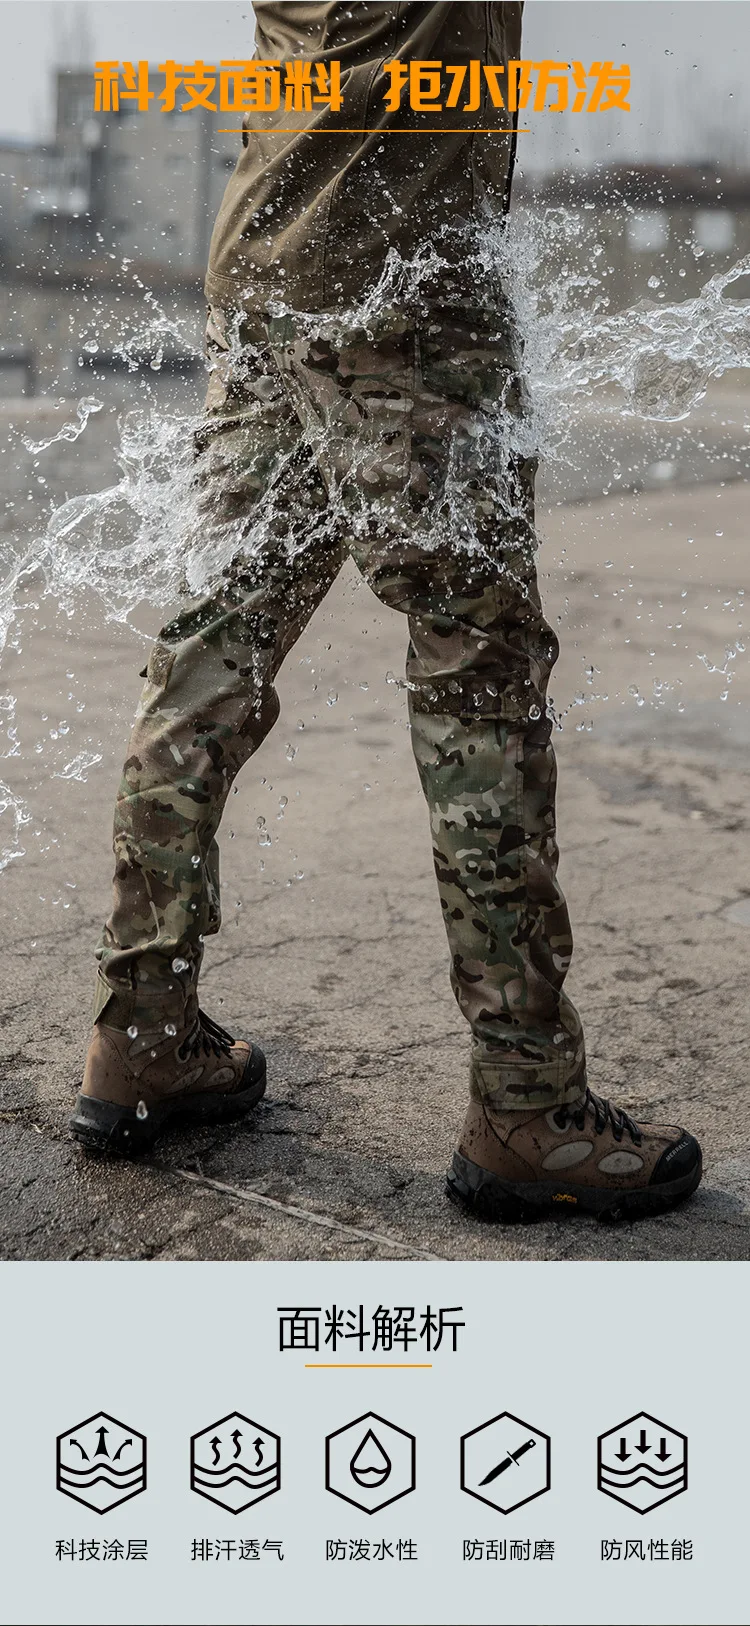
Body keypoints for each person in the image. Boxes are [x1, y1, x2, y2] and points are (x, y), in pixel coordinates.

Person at [70, 2, 702, 1221]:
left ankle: (137, 1031)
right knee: (481, 670)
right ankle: (527, 1102)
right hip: (404, 288)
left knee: (215, 645)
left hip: (269, 257)